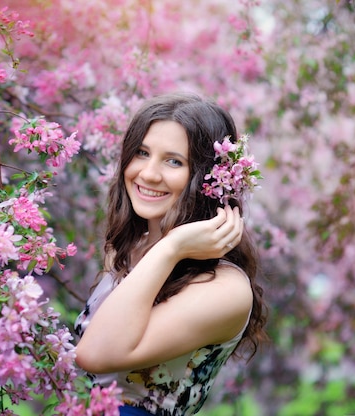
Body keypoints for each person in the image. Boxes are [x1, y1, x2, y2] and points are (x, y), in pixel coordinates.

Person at [74, 93, 267, 416]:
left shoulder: (226, 289)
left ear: (210, 179)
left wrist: (171, 247)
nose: (148, 174)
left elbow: (94, 353)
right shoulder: (127, 252)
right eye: (142, 153)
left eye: (174, 161)